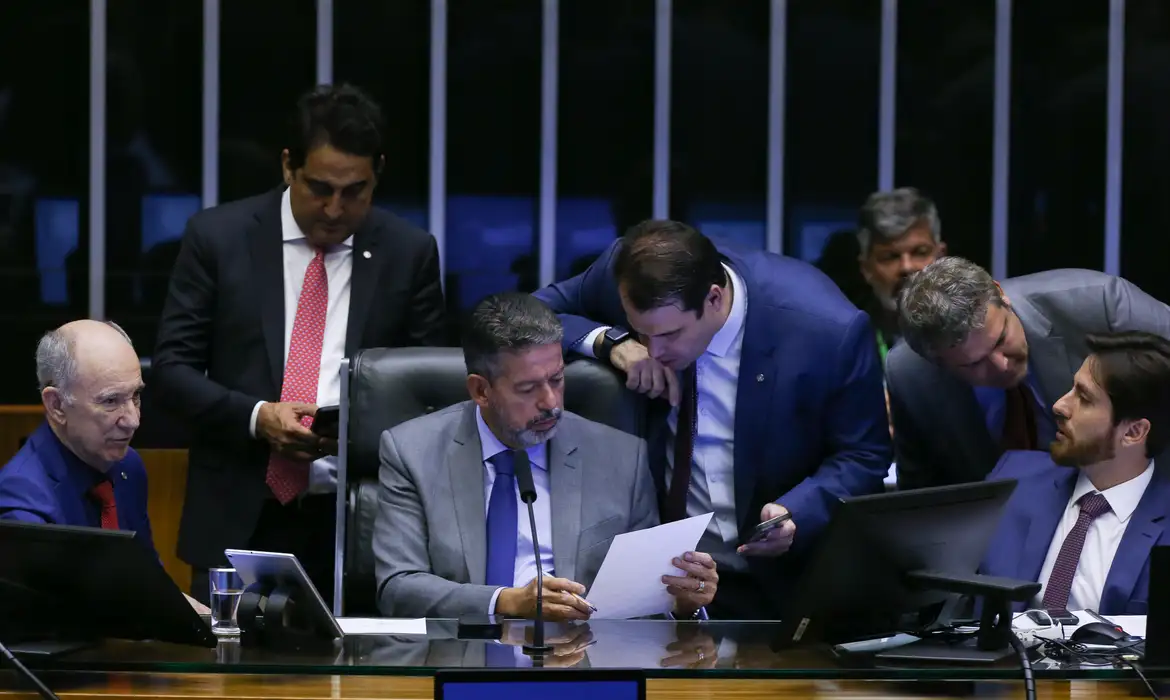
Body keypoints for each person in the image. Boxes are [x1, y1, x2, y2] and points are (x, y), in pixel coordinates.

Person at [153, 83, 447, 604]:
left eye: (355, 191)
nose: (335, 209)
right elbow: (172, 371)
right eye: (319, 188)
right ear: (288, 166)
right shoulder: (218, 238)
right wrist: (257, 417)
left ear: (378, 171)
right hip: (237, 514)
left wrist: (357, 431)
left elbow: (428, 397)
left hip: (358, 523)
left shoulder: (409, 253)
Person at [533, 220, 891, 619]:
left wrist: (799, 513)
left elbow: (865, 455)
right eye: (642, 332)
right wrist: (610, 342)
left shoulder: (827, 330)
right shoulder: (629, 268)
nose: (654, 350)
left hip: (786, 587)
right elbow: (531, 314)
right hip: (668, 587)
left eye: (670, 334)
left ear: (715, 299)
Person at [374, 293, 717, 621]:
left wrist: (680, 601)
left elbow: (645, 601)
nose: (551, 402)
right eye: (527, 389)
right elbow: (398, 587)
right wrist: (505, 602)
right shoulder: (412, 452)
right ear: (481, 390)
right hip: (453, 658)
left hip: (582, 663)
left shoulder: (623, 458)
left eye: (557, 380)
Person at [889, 257, 1170, 490]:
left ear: (1002, 296)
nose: (1001, 365)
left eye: (1000, 340)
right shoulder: (911, 376)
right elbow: (923, 496)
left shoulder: (1100, 305)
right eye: (974, 363)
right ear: (936, 362)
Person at [0, 321, 207, 612]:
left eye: (135, 396)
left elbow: (148, 582)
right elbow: (67, 620)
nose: (132, 420)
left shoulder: (127, 466)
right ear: (57, 405)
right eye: (111, 401)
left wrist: (207, 622)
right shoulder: (22, 500)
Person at [980, 331, 1170, 615]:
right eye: (1072, 388)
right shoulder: (1012, 479)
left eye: (1084, 398)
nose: (1059, 405)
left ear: (1133, 432)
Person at [855, 188, 946, 364]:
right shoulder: (850, 344)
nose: (906, 267)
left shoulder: (974, 334)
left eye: (920, 252)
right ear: (866, 268)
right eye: (890, 257)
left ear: (941, 258)